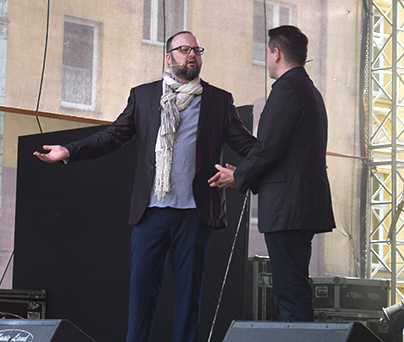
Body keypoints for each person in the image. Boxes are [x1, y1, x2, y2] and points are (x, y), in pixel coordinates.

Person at [34, 31, 256, 342]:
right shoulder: (145, 96)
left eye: (196, 50)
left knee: (189, 298)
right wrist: (69, 150)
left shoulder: (219, 100)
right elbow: (112, 136)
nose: (191, 54)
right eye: (183, 50)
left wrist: (245, 172)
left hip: (195, 213)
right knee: (141, 294)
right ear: (169, 58)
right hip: (151, 212)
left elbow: (249, 146)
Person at [209, 25, 335, 322]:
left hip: (289, 208)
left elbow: (269, 147)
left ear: (276, 53)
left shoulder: (288, 89)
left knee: (289, 292)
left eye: (267, 52)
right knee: (293, 287)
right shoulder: (308, 89)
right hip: (299, 207)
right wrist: (243, 171)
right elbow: (283, 150)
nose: (267, 59)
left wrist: (237, 177)